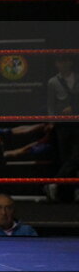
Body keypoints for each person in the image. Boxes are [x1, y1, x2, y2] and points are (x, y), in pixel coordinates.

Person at [46, 56, 78, 202]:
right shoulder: (53, 82)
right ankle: (69, 192)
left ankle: (55, 183)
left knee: (76, 157)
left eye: (65, 60)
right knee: (66, 157)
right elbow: (51, 105)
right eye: (59, 60)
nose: (63, 63)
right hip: (63, 124)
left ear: (71, 61)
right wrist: (52, 121)